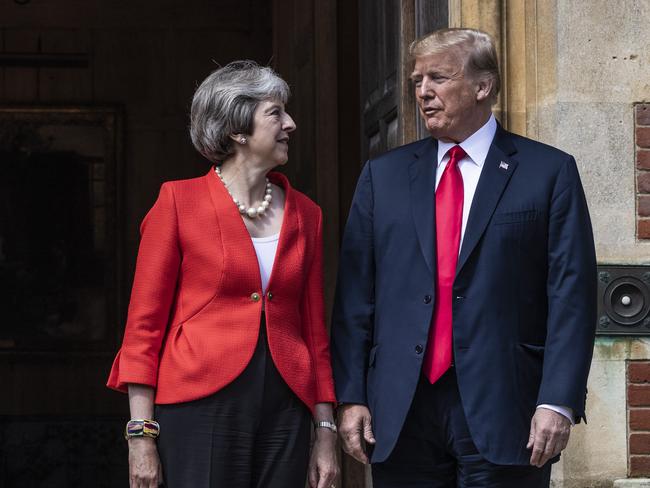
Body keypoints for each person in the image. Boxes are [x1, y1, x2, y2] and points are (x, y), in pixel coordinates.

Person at [331, 28, 596, 487]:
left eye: (438, 77)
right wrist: (351, 395)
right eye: (417, 81)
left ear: (483, 86)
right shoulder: (383, 176)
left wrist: (558, 401)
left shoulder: (548, 172)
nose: (423, 92)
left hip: (506, 405)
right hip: (401, 408)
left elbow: (572, 296)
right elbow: (356, 298)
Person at [107, 60, 339, 488]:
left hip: (287, 410)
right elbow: (143, 327)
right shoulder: (178, 202)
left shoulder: (307, 214)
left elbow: (314, 333)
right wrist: (139, 436)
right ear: (237, 128)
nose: (290, 123)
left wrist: (326, 432)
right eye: (275, 113)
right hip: (199, 405)